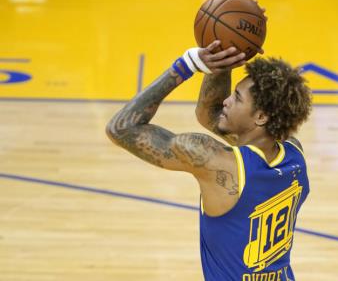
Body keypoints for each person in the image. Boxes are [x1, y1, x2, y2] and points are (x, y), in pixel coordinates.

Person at [106, 40, 312, 281]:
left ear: (261, 116)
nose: (227, 101)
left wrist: (186, 65)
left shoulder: (215, 163)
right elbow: (212, 113)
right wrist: (223, 57)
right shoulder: (294, 155)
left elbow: (121, 128)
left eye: (236, 97)